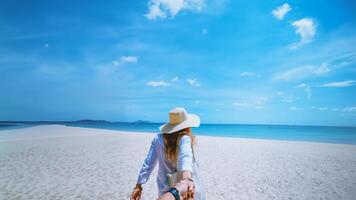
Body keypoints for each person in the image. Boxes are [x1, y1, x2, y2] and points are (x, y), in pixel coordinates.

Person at [130, 107, 205, 200]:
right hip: (186, 189)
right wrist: (187, 179)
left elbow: (149, 163)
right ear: (187, 125)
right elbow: (186, 157)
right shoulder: (184, 138)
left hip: (165, 188)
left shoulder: (158, 138)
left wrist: (139, 184)